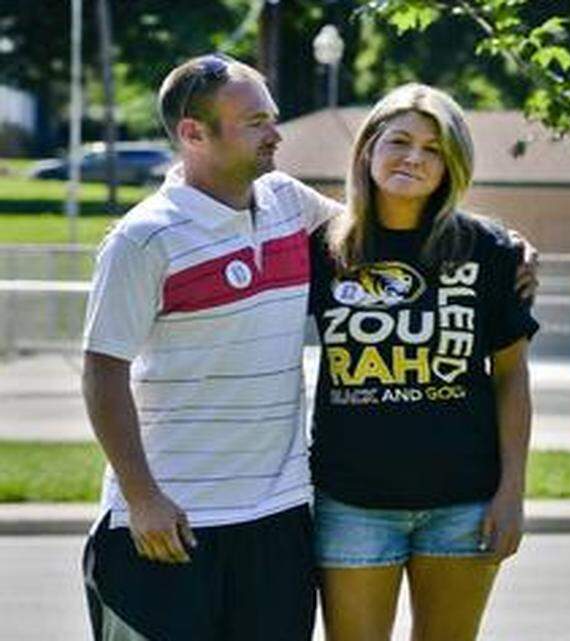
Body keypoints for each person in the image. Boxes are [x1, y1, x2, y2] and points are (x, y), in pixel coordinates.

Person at [80, 55, 535, 640]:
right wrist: (142, 498)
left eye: (272, 118)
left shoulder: (287, 206)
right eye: (255, 123)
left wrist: (508, 245)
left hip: (277, 519)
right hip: (172, 518)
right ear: (193, 133)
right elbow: (102, 370)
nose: (276, 134)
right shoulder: (143, 238)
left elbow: (389, 229)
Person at [308, 84, 538, 641]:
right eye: (400, 141)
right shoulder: (323, 250)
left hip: (462, 502)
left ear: (452, 164)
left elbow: (510, 379)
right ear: (368, 149)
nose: (413, 157)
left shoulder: (491, 252)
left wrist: (512, 494)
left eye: (433, 149)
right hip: (352, 501)